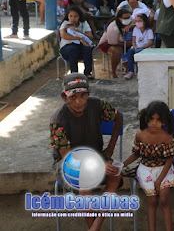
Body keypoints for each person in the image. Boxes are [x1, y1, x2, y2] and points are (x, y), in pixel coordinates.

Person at [50, 73, 123, 230]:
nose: (79, 101)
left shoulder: (97, 105)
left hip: (95, 155)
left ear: (88, 94)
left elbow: (119, 117)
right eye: (73, 97)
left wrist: (110, 148)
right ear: (64, 97)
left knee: (116, 173)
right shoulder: (58, 120)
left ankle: (95, 225)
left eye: (83, 95)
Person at [122, 101, 174, 229]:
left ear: (164, 122)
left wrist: (159, 180)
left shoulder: (166, 138)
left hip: (163, 169)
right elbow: (136, 154)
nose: (154, 123)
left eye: (158, 120)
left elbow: (169, 160)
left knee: (164, 200)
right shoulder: (140, 136)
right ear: (146, 119)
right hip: (146, 170)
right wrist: (122, 164)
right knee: (152, 201)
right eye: (151, 119)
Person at [59, 6, 95, 78]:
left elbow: (90, 36)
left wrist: (79, 32)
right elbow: (63, 35)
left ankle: (87, 73)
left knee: (87, 49)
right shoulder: (65, 24)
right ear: (68, 16)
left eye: (76, 16)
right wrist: (79, 38)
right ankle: (74, 74)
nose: (73, 18)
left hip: (81, 46)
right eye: (71, 16)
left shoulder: (84, 23)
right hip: (67, 47)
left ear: (79, 16)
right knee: (73, 49)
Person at [98, 8, 134, 78]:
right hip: (108, 43)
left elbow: (139, 22)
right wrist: (128, 43)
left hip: (125, 42)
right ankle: (113, 72)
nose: (127, 19)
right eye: (125, 18)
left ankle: (128, 69)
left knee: (131, 49)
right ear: (120, 18)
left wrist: (131, 25)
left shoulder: (131, 20)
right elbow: (113, 42)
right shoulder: (113, 27)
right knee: (117, 51)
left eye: (128, 17)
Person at [124, 13, 154, 79]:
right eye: (136, 21)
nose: (137, 23)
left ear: (145, 21)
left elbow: (150, 42)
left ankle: (139, 72)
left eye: (139, 21)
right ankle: (130, 71)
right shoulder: (136, 29)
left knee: (139, 53)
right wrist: (134, 46)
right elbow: (133, 40)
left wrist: (141, 47)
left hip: (145, 49)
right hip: (136, 47)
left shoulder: (149, 30)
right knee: (130, 52)